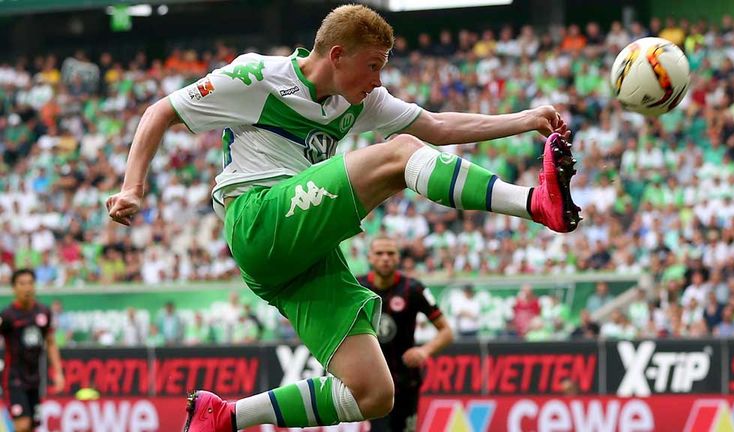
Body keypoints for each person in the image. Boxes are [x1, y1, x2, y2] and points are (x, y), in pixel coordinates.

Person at [105, 5, 580, 431]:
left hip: (298, 258)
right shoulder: (254, 77)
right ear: (337, 55)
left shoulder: (361, 100)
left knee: (374, 394)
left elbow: (435, 125)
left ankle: (226, 416)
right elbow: (159, 111)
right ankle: (537, 204)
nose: (377, 79)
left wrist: (523, 119)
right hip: (258, 219)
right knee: (400, 157)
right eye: (372, 66)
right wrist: (133, 186)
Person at [356, 236, 453, 432]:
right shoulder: (356, 288)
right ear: (370, 258)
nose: (385, 258)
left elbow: (447, 332)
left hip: (407, 381)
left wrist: (424, 352)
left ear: (398, 257)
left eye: (390, 253)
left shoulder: (413, 289)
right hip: (372, 383)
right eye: (379, 253)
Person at [0, 269, 65, 432]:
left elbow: (50, 342)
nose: (27, 288)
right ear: (14, 288)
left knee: (31, 426)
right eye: (22, 284)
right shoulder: (7, 316)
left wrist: (58, 372)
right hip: (14, 378)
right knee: (22, 425)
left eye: (30, 283)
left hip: (35, 378)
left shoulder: (43, 312)